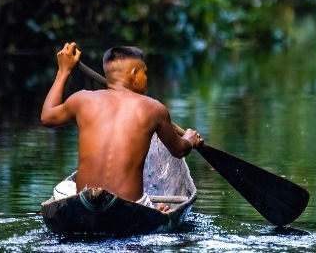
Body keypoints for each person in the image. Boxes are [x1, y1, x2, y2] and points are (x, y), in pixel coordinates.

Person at [40, 42, 203, 212]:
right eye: (144, 73)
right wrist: (190, 139)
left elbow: (47, 117)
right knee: (152, 208)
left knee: (64, 188)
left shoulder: (82, 99)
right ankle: (154, 209)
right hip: (131, 207)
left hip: (85, 203)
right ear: (134, 74)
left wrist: (63, 71)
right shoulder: (154, 109)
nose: (146, 78)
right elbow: (179, 150)